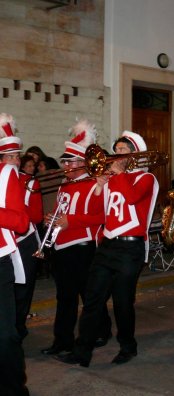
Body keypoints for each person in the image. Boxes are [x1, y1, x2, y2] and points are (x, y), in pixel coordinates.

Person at [56, 130, 159, 367]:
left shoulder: (146, 179)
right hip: (108, 244)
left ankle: (127, 346)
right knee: (93, 299)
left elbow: (131, 199)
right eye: (117, 150)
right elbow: (105, 213)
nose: (117, 154)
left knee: (123, 301)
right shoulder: (112, 178)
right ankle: (82, 351)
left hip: (130, 247)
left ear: (136, 153)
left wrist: (119, 175)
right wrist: (101, 187)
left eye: (123, 150)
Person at [40, 120, 112, 356]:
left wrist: (72, 221)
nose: (66, 165)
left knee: (89, 294)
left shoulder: (95, 184)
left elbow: (102, 216)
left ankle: (101, 331)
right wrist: (53, 218)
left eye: (71, 161)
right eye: (65, 161)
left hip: (83, 247)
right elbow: (64, 212)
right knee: (65, 297)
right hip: (62, 246)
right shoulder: (65, 185)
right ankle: (62, 341)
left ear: (83, 162)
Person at [0, 119, 43, 341]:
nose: (14, 161)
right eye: (9, 157)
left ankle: (18, 328)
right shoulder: (6, 178)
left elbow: (32, 218)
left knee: (23, 289)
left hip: (24, 240)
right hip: (7, 241)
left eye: (17, 156)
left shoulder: (29, 183)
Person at [0, 113, 30, 396]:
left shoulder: (7, 174)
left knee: (5, 335)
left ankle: (14, 390)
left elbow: (21, 223)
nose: (16, 160)